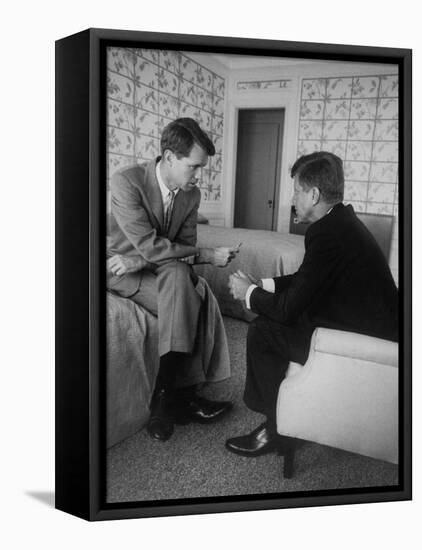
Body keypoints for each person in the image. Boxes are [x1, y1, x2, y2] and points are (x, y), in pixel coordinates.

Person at [225, 151, 398, 457]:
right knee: (281, 318)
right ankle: (288, 416)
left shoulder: (328, 234)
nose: (293, 199)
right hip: (372, 324)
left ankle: (278, 428)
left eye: (297, 191)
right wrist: (262, 284)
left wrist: (248, 293)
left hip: (362, 340)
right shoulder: (340, 222)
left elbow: (287, 309)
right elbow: (306, 278)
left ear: (314, 194)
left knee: (264, 329)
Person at [107, 117, 239, 442]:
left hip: (157, 266)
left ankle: (165, 399)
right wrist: (206, 255)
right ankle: (183, 398)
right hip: (122, 270)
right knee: (191, 295)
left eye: (201, 169)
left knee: (184, 279)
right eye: (194, 167)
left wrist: (182, 256)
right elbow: (153, 245)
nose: (198, 176)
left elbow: (183, 249)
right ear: (169, 157)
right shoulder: (127, 181)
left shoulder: (191, 196)